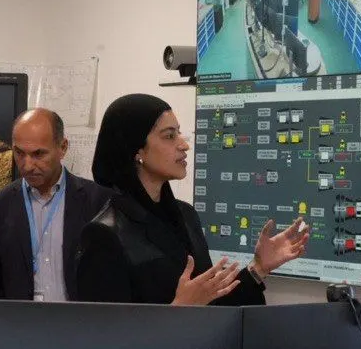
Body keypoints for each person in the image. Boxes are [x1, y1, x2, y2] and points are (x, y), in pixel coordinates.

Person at [76, 94, 309, 306]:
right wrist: (179, 309)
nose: (184, 144)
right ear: (137, 151)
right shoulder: (104, 234)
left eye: (179, 133)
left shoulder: (186, 216)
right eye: (169, 136)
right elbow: (104, 332)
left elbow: (213, 303)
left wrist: (258, 268)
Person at [0, 108, 111, 301]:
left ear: (63, 148)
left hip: (79, 318)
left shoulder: (98, 201)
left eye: (38, 154)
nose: (27, 165)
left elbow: (108, 280)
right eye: (19, 153)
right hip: (20, 319)